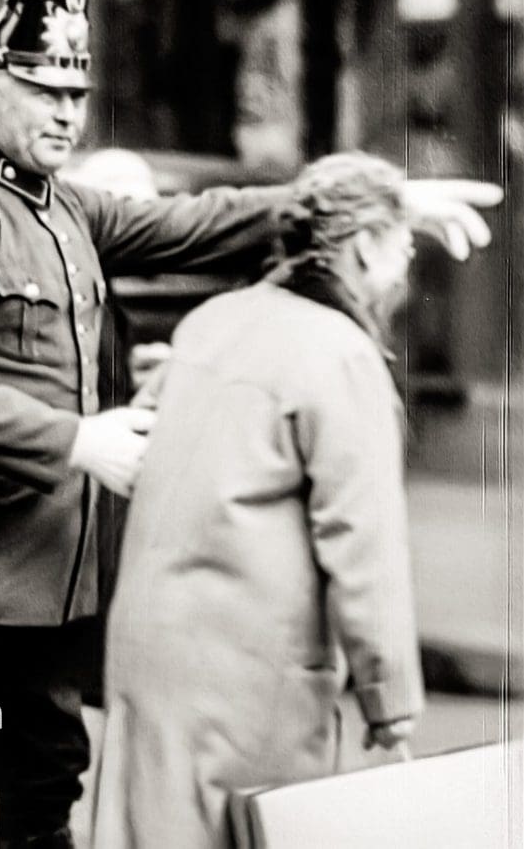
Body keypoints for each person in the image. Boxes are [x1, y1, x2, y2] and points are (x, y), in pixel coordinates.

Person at [0, 0, 495, 849]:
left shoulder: (68, 211)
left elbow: (201, 224)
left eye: (75, 94)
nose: (63, 113)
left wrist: (369, 211)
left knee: (45, 792)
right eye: (42, 91)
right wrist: (77, 440)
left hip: (43, 574)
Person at [91, 153, 432, 848]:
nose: (403, 273)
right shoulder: (341, 355)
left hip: (147, 650)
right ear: (364, 246)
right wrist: (389, 701)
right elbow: (363, 543)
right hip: (248, 672)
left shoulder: (211, 321)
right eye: (403, 248)